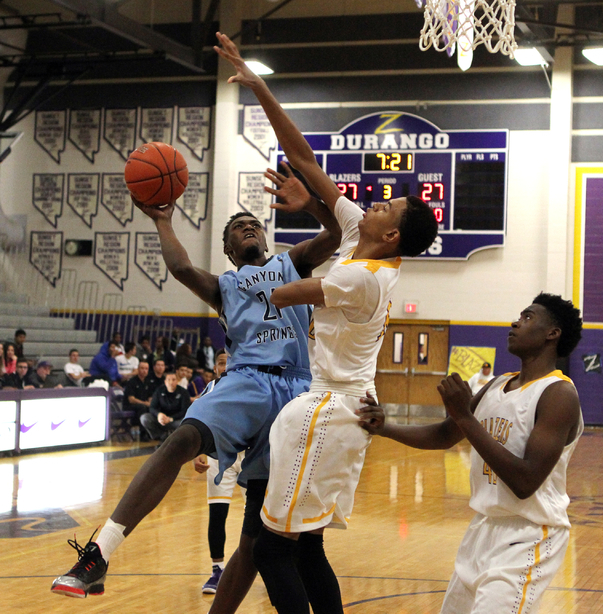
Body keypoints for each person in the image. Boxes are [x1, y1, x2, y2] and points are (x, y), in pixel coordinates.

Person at [214, 31, 439, 614]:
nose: (375, 202)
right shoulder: (359, 245)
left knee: (270, 548)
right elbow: (308, 160)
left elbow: (286, 291)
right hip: (336, 405)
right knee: (305, 550)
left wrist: (251, 272)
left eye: (385, 207)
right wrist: (262, 88)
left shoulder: (362, 275)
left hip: (330, 408)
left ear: (390, 234)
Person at [51, 158, 341, 609]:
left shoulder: (292, 263)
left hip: (297, 396)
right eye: (237, 229)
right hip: (246, 382)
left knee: (254, 541)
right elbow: (182, 268)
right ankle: (100, 552)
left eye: (253, 225)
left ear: (265, 237)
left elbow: (338, 234)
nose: (247, 229)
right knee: (180, 438)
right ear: (227, 249)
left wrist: (310, 205)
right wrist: (164, 221)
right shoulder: (225, 285)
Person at [358, 293, 584, 614]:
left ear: (553, 333)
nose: (515, 322)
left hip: (530, 533)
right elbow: (444, 434)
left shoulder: (558, 395)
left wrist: (465, 417)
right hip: (482, 529)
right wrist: (385, 427)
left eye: (529, 317)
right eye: (520, 315)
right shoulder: (495, 385)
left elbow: (525, 481)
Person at [193, 348, 245, 594]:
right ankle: (217, 570)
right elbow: (197, 422)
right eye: (221, 363)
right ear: (214, 368)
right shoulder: (209, 391)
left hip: (249, 458)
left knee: (258, 518)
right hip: (219, 458)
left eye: (229, 362)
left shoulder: (248, 385)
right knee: (217, 515)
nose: (225, 367)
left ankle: (262, 567)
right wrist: (197, 452)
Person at [140, 372, 190, 442]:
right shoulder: (159, 391)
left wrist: (170, 419)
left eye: (173, 380)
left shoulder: (184, 392)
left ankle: (177, 439)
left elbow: (184, 411)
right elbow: (152, 407)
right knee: (145, 418)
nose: (171, 382)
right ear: (165, 382)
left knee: (186, 424)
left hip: (176, 420)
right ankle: (161, 436)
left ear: (177, 381)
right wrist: (158, 414)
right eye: (169, 380)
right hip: (162, 419)